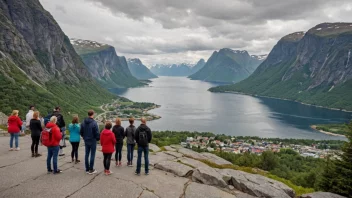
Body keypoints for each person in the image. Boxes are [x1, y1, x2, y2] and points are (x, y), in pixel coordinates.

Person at [80, 110, 100, 174]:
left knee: (87, 154)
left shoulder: (83, 122)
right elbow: (96, 132)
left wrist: (84, 136)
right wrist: (97, 138)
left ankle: (87, 169)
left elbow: (81, 131)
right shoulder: (94, 123)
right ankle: (91, 169)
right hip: (93, 140)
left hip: (86, 139)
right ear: (93, 114)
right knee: (92, 154)